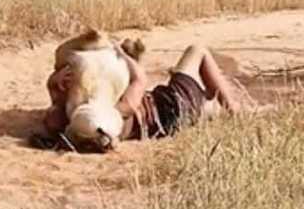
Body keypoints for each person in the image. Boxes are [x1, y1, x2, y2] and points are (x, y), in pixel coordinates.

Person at [39, 42, 272, 149]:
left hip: (171, 122)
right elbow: (141, 78)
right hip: (171, 103)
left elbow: (57, 112)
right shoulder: (121, 108)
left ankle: (211, 100)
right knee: (197, 51)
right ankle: (235, 111)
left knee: (206, 108)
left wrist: (54, 83)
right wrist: (121, 55)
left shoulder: (86, 126)